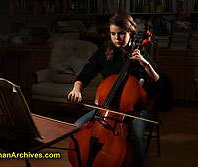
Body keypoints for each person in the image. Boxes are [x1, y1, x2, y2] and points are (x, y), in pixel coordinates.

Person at [67, 12, 160, 167]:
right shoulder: (102, 54)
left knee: (136, 135)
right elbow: (84, 75)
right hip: (105, 108)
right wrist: (76, 88)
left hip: (132, 110)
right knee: (77, 126)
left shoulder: (141, 55)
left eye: (122, 34)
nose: (117, 38)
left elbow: (157, 86)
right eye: (113, 34)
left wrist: (146, 65)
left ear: (130, 33)